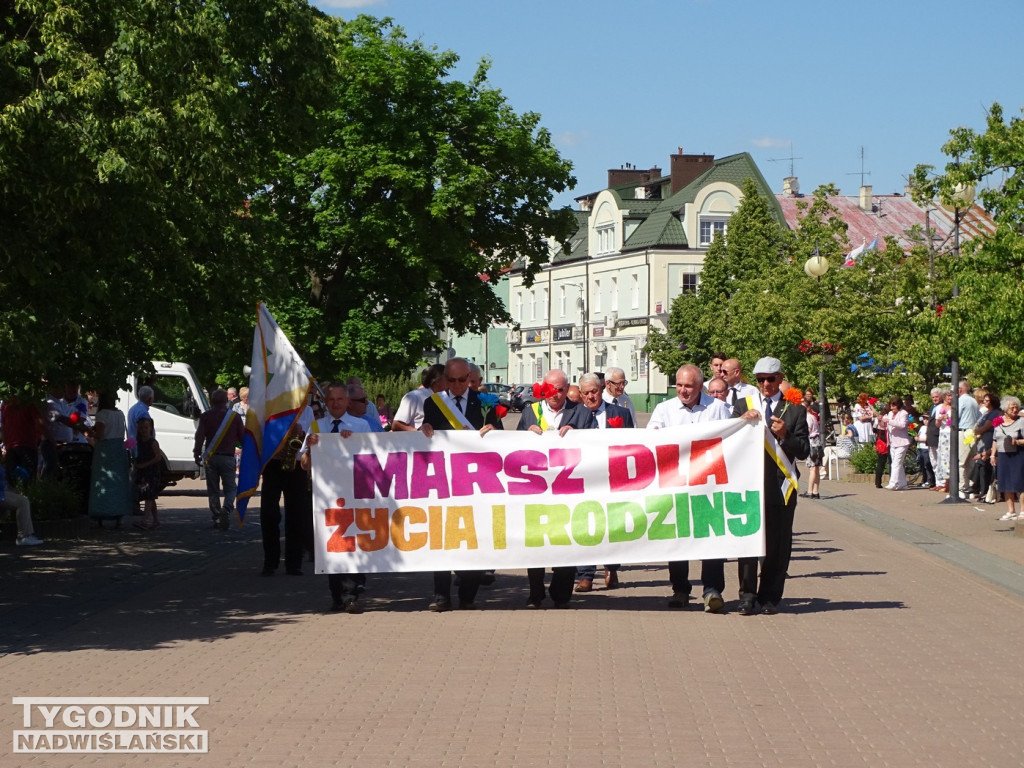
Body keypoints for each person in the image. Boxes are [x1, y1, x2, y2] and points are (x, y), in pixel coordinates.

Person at [647, 364, 732, 611]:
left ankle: (712, 590)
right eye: (680, 386)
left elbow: (733, 439)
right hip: (676, 485)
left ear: (700, 386)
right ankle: (680, 589)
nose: (683, 391)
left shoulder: (718, 409)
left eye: (689, 386)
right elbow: (650, 440)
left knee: (713, 537)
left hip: (709, 485)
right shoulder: (664, 410)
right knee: (678, 538)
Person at [421, 357, 502, 611]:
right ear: (445, 379)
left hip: (476, 482)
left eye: (462, 380)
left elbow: (502, 439)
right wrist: (424, 429)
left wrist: (493, 429)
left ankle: (468, 595)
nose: (457, 385)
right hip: (445, 481)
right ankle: (441, 596)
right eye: (452, 380)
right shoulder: (433, 403)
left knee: (475, 538)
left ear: (470, 378)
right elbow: (428, 437)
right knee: (442, 537)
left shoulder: (484, 402)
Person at [732, 356, 810, 615]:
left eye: (771, 379)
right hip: (750, 483)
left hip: (780, 484)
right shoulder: (743, 405)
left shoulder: (795, 410)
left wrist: (786, 435)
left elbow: (804, 451)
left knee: (777, 547)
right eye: (760, 379)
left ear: (780, 378)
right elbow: (730, 442)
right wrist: (742, 422)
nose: (766, 384)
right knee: (748, 543)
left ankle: (770, 598)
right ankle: (746, 596)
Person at [300, 382, 371, 613]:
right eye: (331, 400)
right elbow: (303, 465)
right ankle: (337, 595)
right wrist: (310, 450)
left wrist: (354, 443)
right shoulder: (316, 426)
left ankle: (351, 595)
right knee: (331, 546)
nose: (336, 404)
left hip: (354, 493)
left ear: (347, 401)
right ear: (325, 403)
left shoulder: (360, 425)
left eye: (340, 399)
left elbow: (374, 458)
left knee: (351, 544)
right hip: (326, 496)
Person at [561, 372, 634, 592]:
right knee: (586, 526)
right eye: (586, 393)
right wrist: (568, 432)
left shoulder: (620, 413)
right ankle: (585, 575)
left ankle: (611, 568)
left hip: (613, 479)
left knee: (612, 525)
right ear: (580, 394)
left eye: (594, 391)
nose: (590, 397)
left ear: (601, 390)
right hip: (585, 482)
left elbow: (633, 443)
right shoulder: (572, 416)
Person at [518, 368, 577, 608]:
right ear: (543, 389)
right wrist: (525, 434)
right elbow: (513, 449)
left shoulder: (580, 413)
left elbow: (597, 445)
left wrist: (579, 435)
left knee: (567, 543)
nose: (555, 394)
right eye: (550, 389)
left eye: (560, 389)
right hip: (537, 490)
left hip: (569, 491)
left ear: (566, 389)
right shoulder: (530, 412)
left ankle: (561, 593)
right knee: (536, 545)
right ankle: (535, 594)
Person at [259, 401, 314, 576]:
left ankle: (294, 563)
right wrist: (275, 449)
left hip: (296, 466)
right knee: (269, 514)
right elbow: (259, 434)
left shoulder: (307, 411)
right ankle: (270, 562)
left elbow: (309, 441)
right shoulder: (270, 406)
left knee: (297, 515)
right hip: (273, 464)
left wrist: (302, 435)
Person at [194, 389, 245, 530]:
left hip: (211, 458)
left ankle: (217, 517)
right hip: (228, 457)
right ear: (226, 401)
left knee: (213, 490)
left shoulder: (206, 416)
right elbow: (242, 438)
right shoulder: (234, 417)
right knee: (231, 488)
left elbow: (199, 436)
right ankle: (227, 509)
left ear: (211, 401)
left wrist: (196, 453)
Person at [88, 391, 133, 522]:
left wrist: (87, 431)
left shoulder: (102, 414)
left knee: (103, 480)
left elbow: (100, 435)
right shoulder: (120, 414)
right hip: (119, 449)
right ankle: (119, 513)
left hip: (106, 450)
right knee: (118, 482)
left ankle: (102, 512)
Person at [992, 396, 1024, 521]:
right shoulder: (998, 421)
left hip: (1018, 455)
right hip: (1003, 455)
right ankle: (1011, 511)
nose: (1015, 410)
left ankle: (1023, 511)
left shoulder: (1021, 421)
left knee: (1020, 483)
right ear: (1005, 408)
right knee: (1005, 484)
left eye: (1016, 407)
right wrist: (993, 455)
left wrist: (1017, 442)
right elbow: (995, 439)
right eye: (1012, 407)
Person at [391, 364, 446, 432]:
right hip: (417, 441)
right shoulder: (413, 397)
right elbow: (396, 425)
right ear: (438, 381)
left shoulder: (445, 399)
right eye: (448, 378)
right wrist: (419, 432)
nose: (451, 382)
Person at [1, 462, 43, 546]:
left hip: (2, 492)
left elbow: (3, 481)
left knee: (24, 500)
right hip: (1, 494)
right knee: (23, 502)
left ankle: (28, 535)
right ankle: (22, 537)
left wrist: (10, 489)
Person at [133, 417, 162, 531]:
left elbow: (158, 457)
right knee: (149, 497)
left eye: (146, 427)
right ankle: (156, 520)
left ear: (150, 428)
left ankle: (144, 520)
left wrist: (144, 465)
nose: (143, 430)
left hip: (152, 472)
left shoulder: (153, 442)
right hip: (143, 472)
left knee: (149, 496)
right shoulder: (138, 441)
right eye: (141, 428)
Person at [971, 392, 1001, 502]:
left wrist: (975, 431)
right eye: (984, 400)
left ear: (992, 401)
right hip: (982, 440)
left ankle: (984, 491)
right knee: (981, 464)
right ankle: (980, 489)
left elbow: (986, 427)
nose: (985, 402)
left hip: (989, 439)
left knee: (985, 464)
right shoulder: (986, 412)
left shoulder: (994, 413)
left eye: (987, 400)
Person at [957, 379, 982, 498]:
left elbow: (957, 416)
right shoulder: (974, 401)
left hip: (963, 431)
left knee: (961, 462)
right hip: (972, 432)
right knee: (971, 461)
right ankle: (971, 487)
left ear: (960, 390)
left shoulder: (961, 400)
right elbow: (979, 417)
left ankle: (963, 488)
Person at [881, 397, 911, 491]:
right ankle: (903, 484)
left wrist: (889, 421)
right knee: (899, 464)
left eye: (894, 406)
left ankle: (893, 483)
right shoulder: (890, 413)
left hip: (902, 442)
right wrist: (881, 420)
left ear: (898, 405)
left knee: (895, 464)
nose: (892, 408)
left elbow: (902, 425)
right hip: (893, 442)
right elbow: (887, 426)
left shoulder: (904, 413)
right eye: (891, 405)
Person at [803, 394, 822, 499]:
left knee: (812, 468)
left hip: (812, 442)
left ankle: (810, 491)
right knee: (816, 468)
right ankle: (816, 491)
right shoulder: (813, 417)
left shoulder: (807, 418)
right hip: (817, 442)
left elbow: (808, 430)